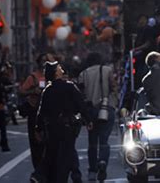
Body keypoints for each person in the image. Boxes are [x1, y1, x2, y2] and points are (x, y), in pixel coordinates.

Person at [36, 61, 92, 183]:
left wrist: (38, 128)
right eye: (59, 68)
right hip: (68, 127)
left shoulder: (47, 90)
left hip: (52, 128)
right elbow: (81, 104)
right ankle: (67, 177)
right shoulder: (69, 86)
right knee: (67, 153)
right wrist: (88, 120)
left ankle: (47, 175)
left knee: (56, 154)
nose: (61, 69)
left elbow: (41, 112)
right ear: (56, 73)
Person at [77, 52, 118, 181]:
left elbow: (80, 93)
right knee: (104, 140)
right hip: (106, 108)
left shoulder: (83, 74)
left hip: (90, 111)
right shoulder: (107, 70)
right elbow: (114, 87)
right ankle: (102, 161)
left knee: (92, 142)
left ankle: (92, 171)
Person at [20, 53, 51, 182]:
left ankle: (46, 170)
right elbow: (22, 91)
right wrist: (34, 91)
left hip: (48, 112)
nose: (45, 63)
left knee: (48, 142)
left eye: (47, 61)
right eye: (43, 60)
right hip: (34, 112)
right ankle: (38, 170)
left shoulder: (51, 76)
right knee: (35, 142)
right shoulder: (33, 77)